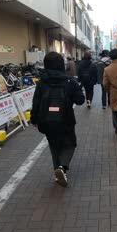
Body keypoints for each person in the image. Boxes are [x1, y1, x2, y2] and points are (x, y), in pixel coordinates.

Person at [31, 52, 85, 187]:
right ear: (61, 64)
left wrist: (34, 119)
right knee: (70, 144)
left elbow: (36, 102)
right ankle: (62, 166)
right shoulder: (69, 81)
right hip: (65, 119)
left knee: (54, 145)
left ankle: (58, 170)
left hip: (46, 120)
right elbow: (80, 100)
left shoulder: (41, 82)